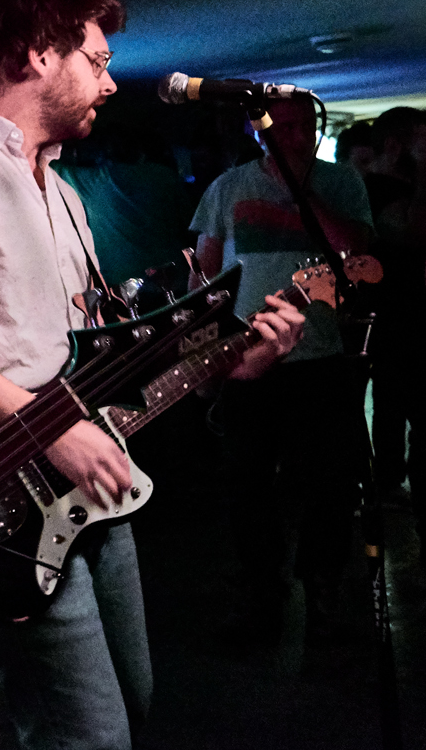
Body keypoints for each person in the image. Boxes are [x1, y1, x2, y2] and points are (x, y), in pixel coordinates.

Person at [0, 0, 303, 750]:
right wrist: (48, 427)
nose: (109, 82)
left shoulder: (64, 193)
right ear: (39, 54)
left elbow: (97, 362)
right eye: (97, 61)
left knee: (133, 703)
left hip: (88, 486)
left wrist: (229, 362)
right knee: (87, 735)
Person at [191, 96, 373, 645]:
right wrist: (206, 347)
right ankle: (259, 594)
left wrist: (302, 194)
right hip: (248, 360)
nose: (293, 137)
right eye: (282, 127)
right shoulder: (228, 187)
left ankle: (323, 595)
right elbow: (205, 271)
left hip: (318, 359)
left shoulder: (340, 182)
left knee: (329, 485)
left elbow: (358, 258)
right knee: (246, 484)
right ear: (259, 131)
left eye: (303, 127)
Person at [356, 107, 426, 529]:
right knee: (398, 401)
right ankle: (389, 485)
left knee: (391, 402)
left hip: (400, 313)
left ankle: (389, 483)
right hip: (392, 315)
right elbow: (415, 235)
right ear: (396, 145)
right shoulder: (377, 190)